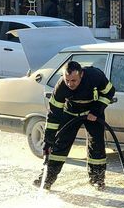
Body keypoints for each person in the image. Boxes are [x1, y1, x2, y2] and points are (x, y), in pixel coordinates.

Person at [34, 61, 116, 191]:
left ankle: (97, 179)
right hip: (70, 112)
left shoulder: (95, 76)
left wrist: (96, 110)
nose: (70, 84)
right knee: (60, 144)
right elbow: (53, 115)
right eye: (67, 80)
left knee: (97, 144)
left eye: (74, 80)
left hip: (92, 112)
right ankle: (47, 178)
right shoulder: (61, 86)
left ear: (81, 74)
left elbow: (109, 92)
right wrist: (48, 140)